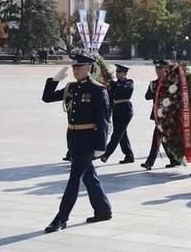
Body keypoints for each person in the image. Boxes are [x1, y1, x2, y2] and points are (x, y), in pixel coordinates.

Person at [41, 54, 112, 233]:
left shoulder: (97, 89)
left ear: (88, 68)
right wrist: (54, 80)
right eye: (74, 67)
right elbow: (47, 98)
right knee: (88, 176)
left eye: (79, 67)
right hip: (73, 139)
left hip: (88, 141)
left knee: (74, 179)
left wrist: (100, 146)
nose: (75, 70)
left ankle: (61, 218)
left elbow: (103, 119)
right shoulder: (71, 88)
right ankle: (103, 210)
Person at [140, 60, 180, 170]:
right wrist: (154, 91)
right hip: (158, 115)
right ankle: (174, 159)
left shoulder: (171, 82)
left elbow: (176, 97)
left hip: (168, 115)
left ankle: (150, 162)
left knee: (158, 136)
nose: (158, 71)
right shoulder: (153, 83)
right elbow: (147, 96)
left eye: (160, 69)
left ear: (166, 69)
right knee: (163, 137)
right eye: (156, 69)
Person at [99, 64, 135, 164]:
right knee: (122, 135)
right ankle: (129, 155)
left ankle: (106, 154)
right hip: (116, 109)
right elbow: (109, 97)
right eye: (117, 72)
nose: (117, 74)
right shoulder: (114, 84)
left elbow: (122, 91)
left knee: (117, 133)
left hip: (126, 109)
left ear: (125, 73)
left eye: (120, 72)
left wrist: (112, 85)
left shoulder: (129, 82)